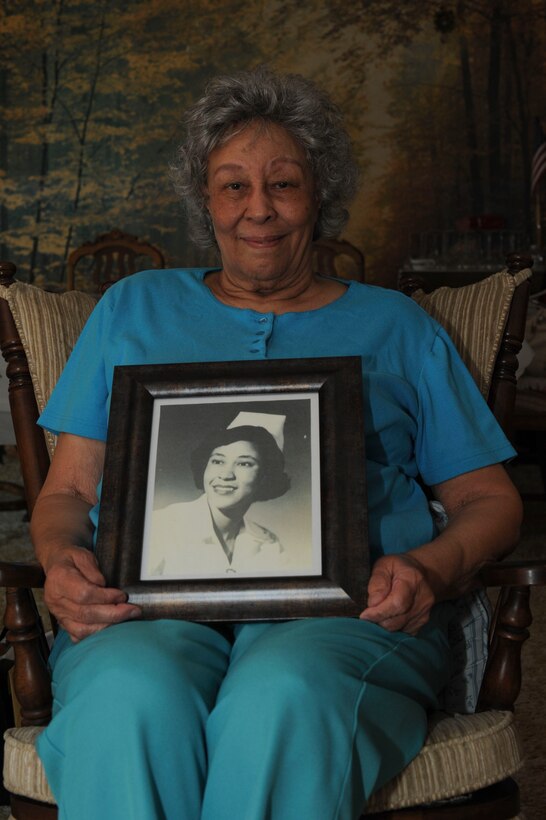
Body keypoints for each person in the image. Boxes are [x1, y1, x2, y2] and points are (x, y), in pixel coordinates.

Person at [30, 66, 522, 820]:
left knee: (281, 699)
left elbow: (489, 500)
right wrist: (61, 559)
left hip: (348, 618)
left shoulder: (397, 325)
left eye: (283, 184)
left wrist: (430, 568)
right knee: (129, 700)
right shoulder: (135, 308)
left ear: (318, 192)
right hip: (145, 609)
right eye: (233, 186)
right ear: (205, 200)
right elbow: (67, 493)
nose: (258, 210)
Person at [146, 415, 291, 578]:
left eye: (244, 463)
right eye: (218, 461)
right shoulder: (158, 527)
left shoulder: (269, 545)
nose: (226, 475)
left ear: (265, 476)